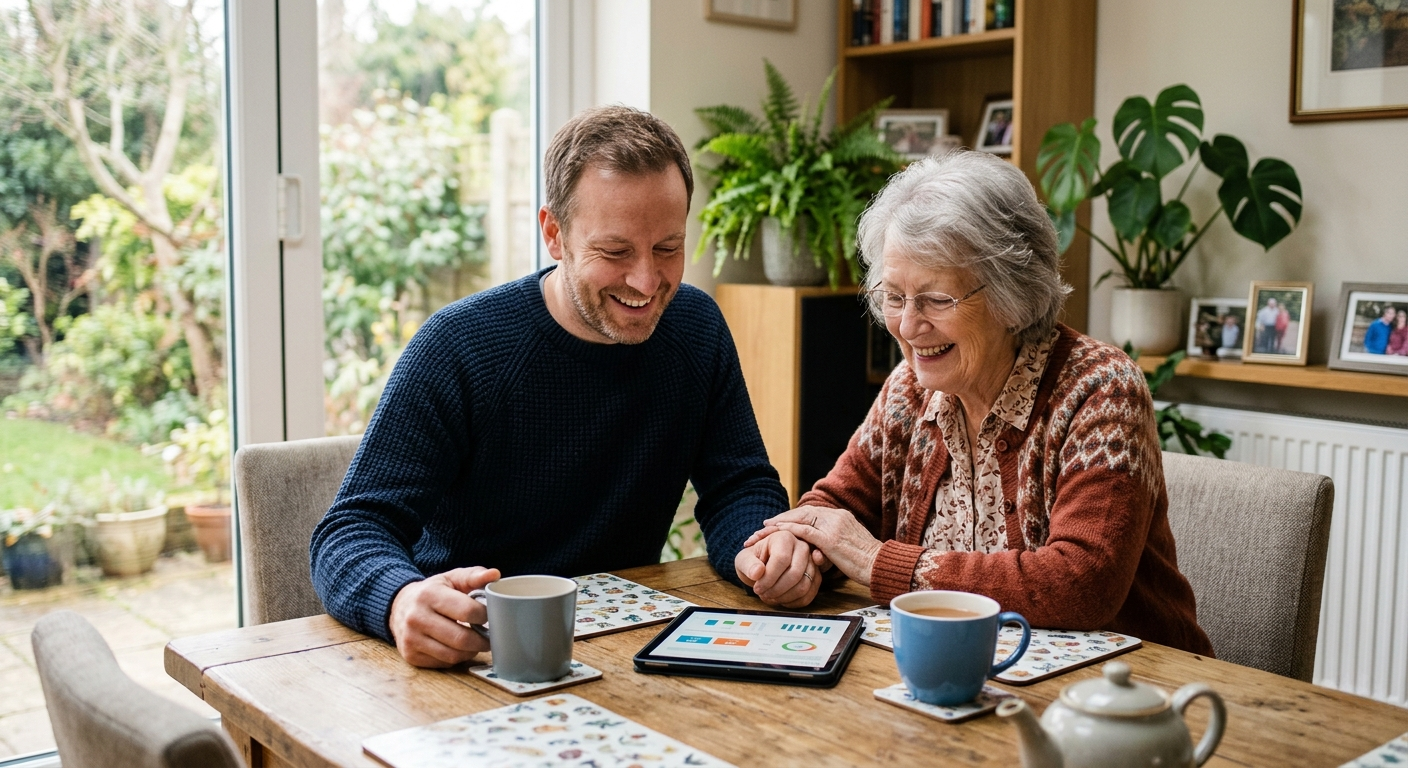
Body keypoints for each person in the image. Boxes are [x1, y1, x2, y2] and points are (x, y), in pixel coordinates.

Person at [310, 106, 813, 669]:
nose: (646, 281)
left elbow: (738, 485)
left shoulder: (697, 328)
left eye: (668, 247)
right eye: (615, 252)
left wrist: (762, 550)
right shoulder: (458, 345)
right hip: (471, 652)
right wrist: (399, 601)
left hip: (626, 646)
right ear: (554, 234)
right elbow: (351, 531)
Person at [743, 151, 1214, 655]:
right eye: (894, 297)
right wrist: (794, 550)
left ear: (1013, 294)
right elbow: (837, 506)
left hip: (1128, 684)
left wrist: (879, 563)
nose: (908, 325)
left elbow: (1081, 582)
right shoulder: (910, 390)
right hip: (966, 669)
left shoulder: (1099, 390)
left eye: (937, 299)